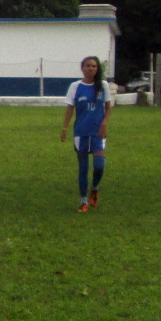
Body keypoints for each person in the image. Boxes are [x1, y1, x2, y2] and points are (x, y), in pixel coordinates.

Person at [61, 56, 112, 212]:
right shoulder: (75, 87)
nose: (92, 68)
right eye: (88, 66)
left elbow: (109, 107)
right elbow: (70, 108)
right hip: (81, 132)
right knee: (83, 168)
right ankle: (84, 202)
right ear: (82, 68)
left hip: (98, 132)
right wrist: (65, 128)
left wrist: (104, 123)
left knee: (99, 166)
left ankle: (95, 188)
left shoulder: (103, 85)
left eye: (94, 66)